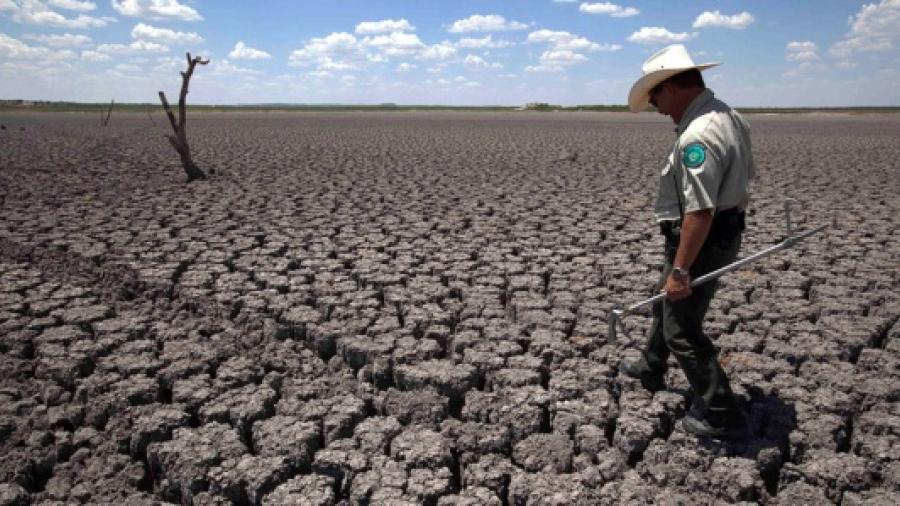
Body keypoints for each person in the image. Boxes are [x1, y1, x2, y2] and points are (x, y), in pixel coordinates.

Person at [620, 44, 755, 439]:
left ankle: (721, 412)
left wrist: (681, 269)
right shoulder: (728, 115)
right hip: (714, 234)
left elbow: (700, 211)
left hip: (702, 240)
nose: (658, 106)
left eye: (657, 95)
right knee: (665, 301)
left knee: (682, 327)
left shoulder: (699, 135)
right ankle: (651, 366)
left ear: (675, 87)